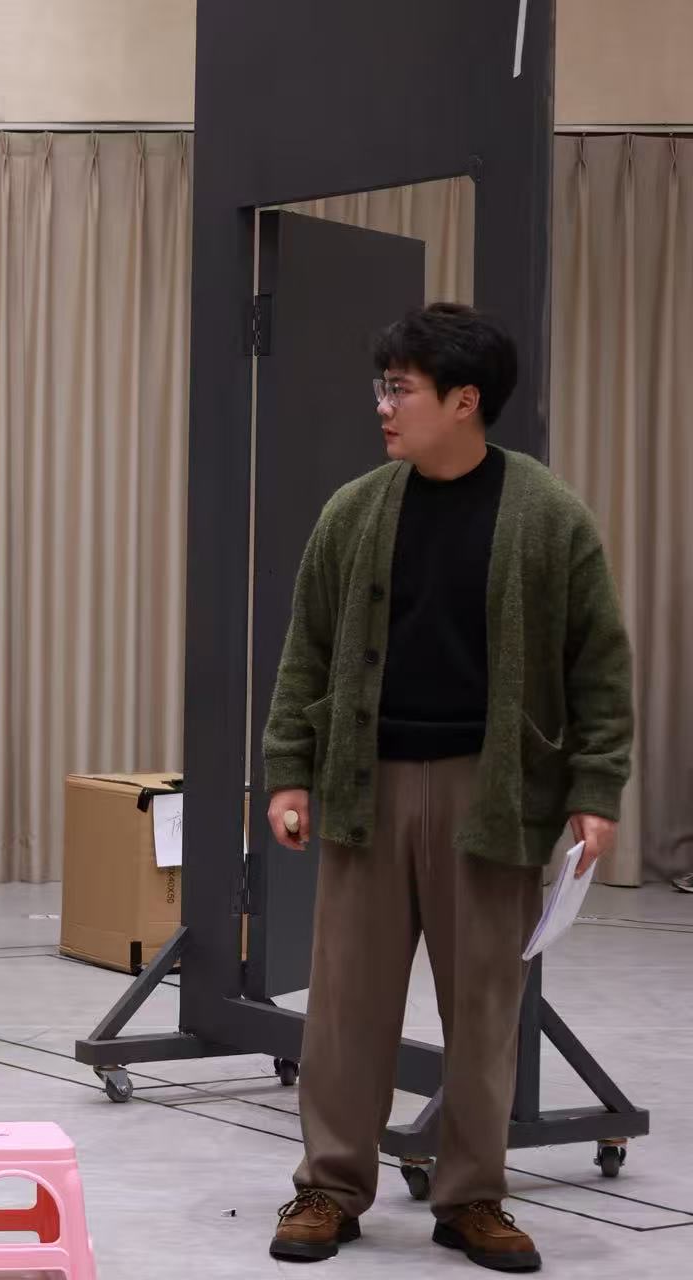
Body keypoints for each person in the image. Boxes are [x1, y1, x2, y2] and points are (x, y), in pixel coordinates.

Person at [262, 304, 633, 1273]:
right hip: (367, 789)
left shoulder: (549, 516)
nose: (383, 405)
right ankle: (329, 1185)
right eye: (382, 386)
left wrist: (597, 789)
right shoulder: (354, 511)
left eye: (403, 388)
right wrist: (289, 771)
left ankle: (472, 1196)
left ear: (465, 401)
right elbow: (306, 652)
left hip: (492, 796)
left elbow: (599, 664)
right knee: (346, 1006)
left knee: (484, 1010)